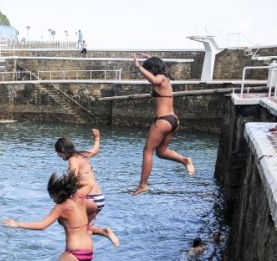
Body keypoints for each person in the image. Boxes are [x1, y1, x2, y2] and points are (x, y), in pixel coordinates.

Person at [131, 54, 195, 195]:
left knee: (148, 151)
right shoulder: (166, 78)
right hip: (172, 121)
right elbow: (159, 64)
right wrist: (149, 57)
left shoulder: (160, 78)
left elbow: (153, 78)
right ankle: (184, 160)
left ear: (152, 69)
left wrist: (139, 67)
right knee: (161, 151)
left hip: (163, 121)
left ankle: (143, 185)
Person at [54, 129, 120, 247]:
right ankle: (90, 243)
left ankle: (102, 232)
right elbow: (95, 150)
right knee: (83, 228)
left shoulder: (72, 159)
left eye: (59, 153)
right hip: (99, 199)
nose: (59, 156)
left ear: (63, 150)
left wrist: (60, 188)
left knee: (62, 218)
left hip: (90, 198)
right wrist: (97, 138)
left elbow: (72, 176)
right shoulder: (82, 155)